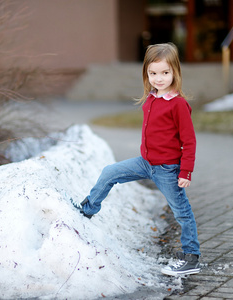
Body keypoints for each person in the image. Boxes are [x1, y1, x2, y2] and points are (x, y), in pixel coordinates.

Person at [71, 43, 201, 276]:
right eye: (153, 73)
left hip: (167, 170)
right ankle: (87, 210)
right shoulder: (151, 98)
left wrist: (185, 172)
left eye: (165, 73)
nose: (159, 78)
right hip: (145, 163)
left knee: (181, 211)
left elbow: (189, 141)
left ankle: (191, 257)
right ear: (146, 74)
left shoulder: (178, 104)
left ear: (175, 72)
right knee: (109, 172)